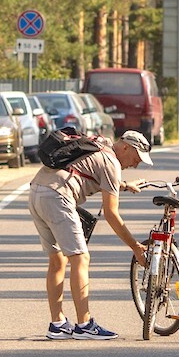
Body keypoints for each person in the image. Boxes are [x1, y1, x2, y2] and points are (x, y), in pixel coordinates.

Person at [28, 130, 152, 340]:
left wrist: (123, 185)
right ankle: (84, 324)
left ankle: (57, 324)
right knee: (80, 258)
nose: (136, 164)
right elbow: (111, 214)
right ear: (125, 147)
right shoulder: (111, 162)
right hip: (59, 196)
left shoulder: (99, 146)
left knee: (57, 260)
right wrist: (135, 246)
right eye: (136, 157)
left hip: (37, 192)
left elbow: (86, 170)